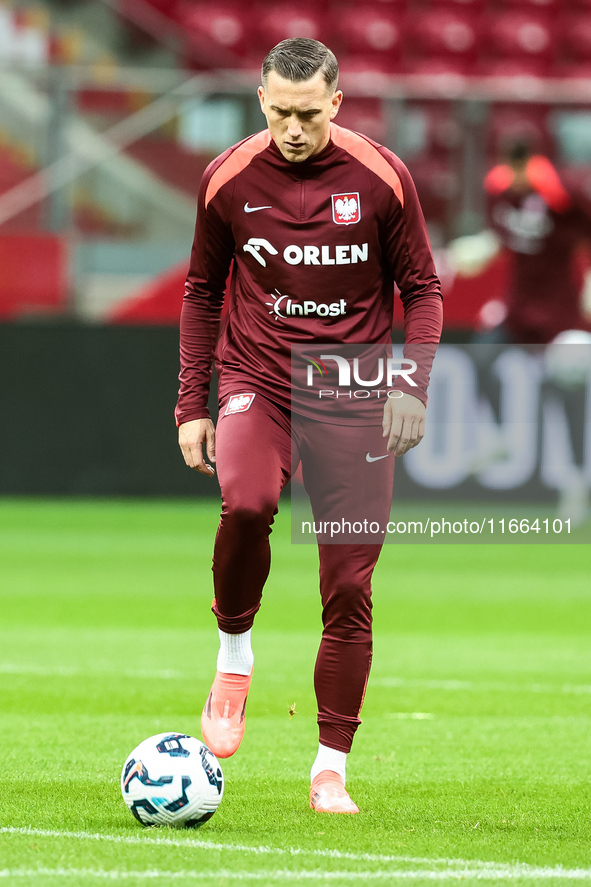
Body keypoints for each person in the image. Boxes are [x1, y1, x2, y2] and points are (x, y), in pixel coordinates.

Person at [175, 38, 443, 814]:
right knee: (248, 503)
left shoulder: (382, 177)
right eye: (278, 113)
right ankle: (233, 655)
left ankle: (330, 766)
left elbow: (422, 289)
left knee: (349, 585)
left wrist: (410, 386)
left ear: (335, 101)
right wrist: (192, 403)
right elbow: (200, 290)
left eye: (307, 114)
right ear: (261, 100)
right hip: (258, 379)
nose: (292, 129)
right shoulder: (226, 177)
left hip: (354, 393)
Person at [448, 135, 591, 344]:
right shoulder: (500, 191)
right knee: (484, 352)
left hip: (559, 308)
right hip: (518, 306)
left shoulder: (563, 198)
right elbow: (499, 238)